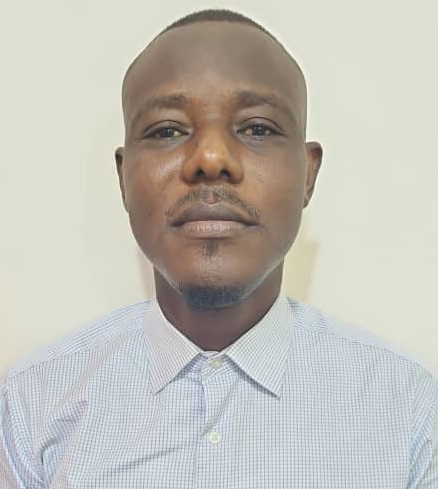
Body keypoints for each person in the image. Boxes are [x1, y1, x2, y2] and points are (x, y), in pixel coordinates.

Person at [1, 8, 437, 488]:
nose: (211, 159)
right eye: (167, 130)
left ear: (308, 174)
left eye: (257, 128)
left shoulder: (409, 413)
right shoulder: (30, 407)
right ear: (124, 178)